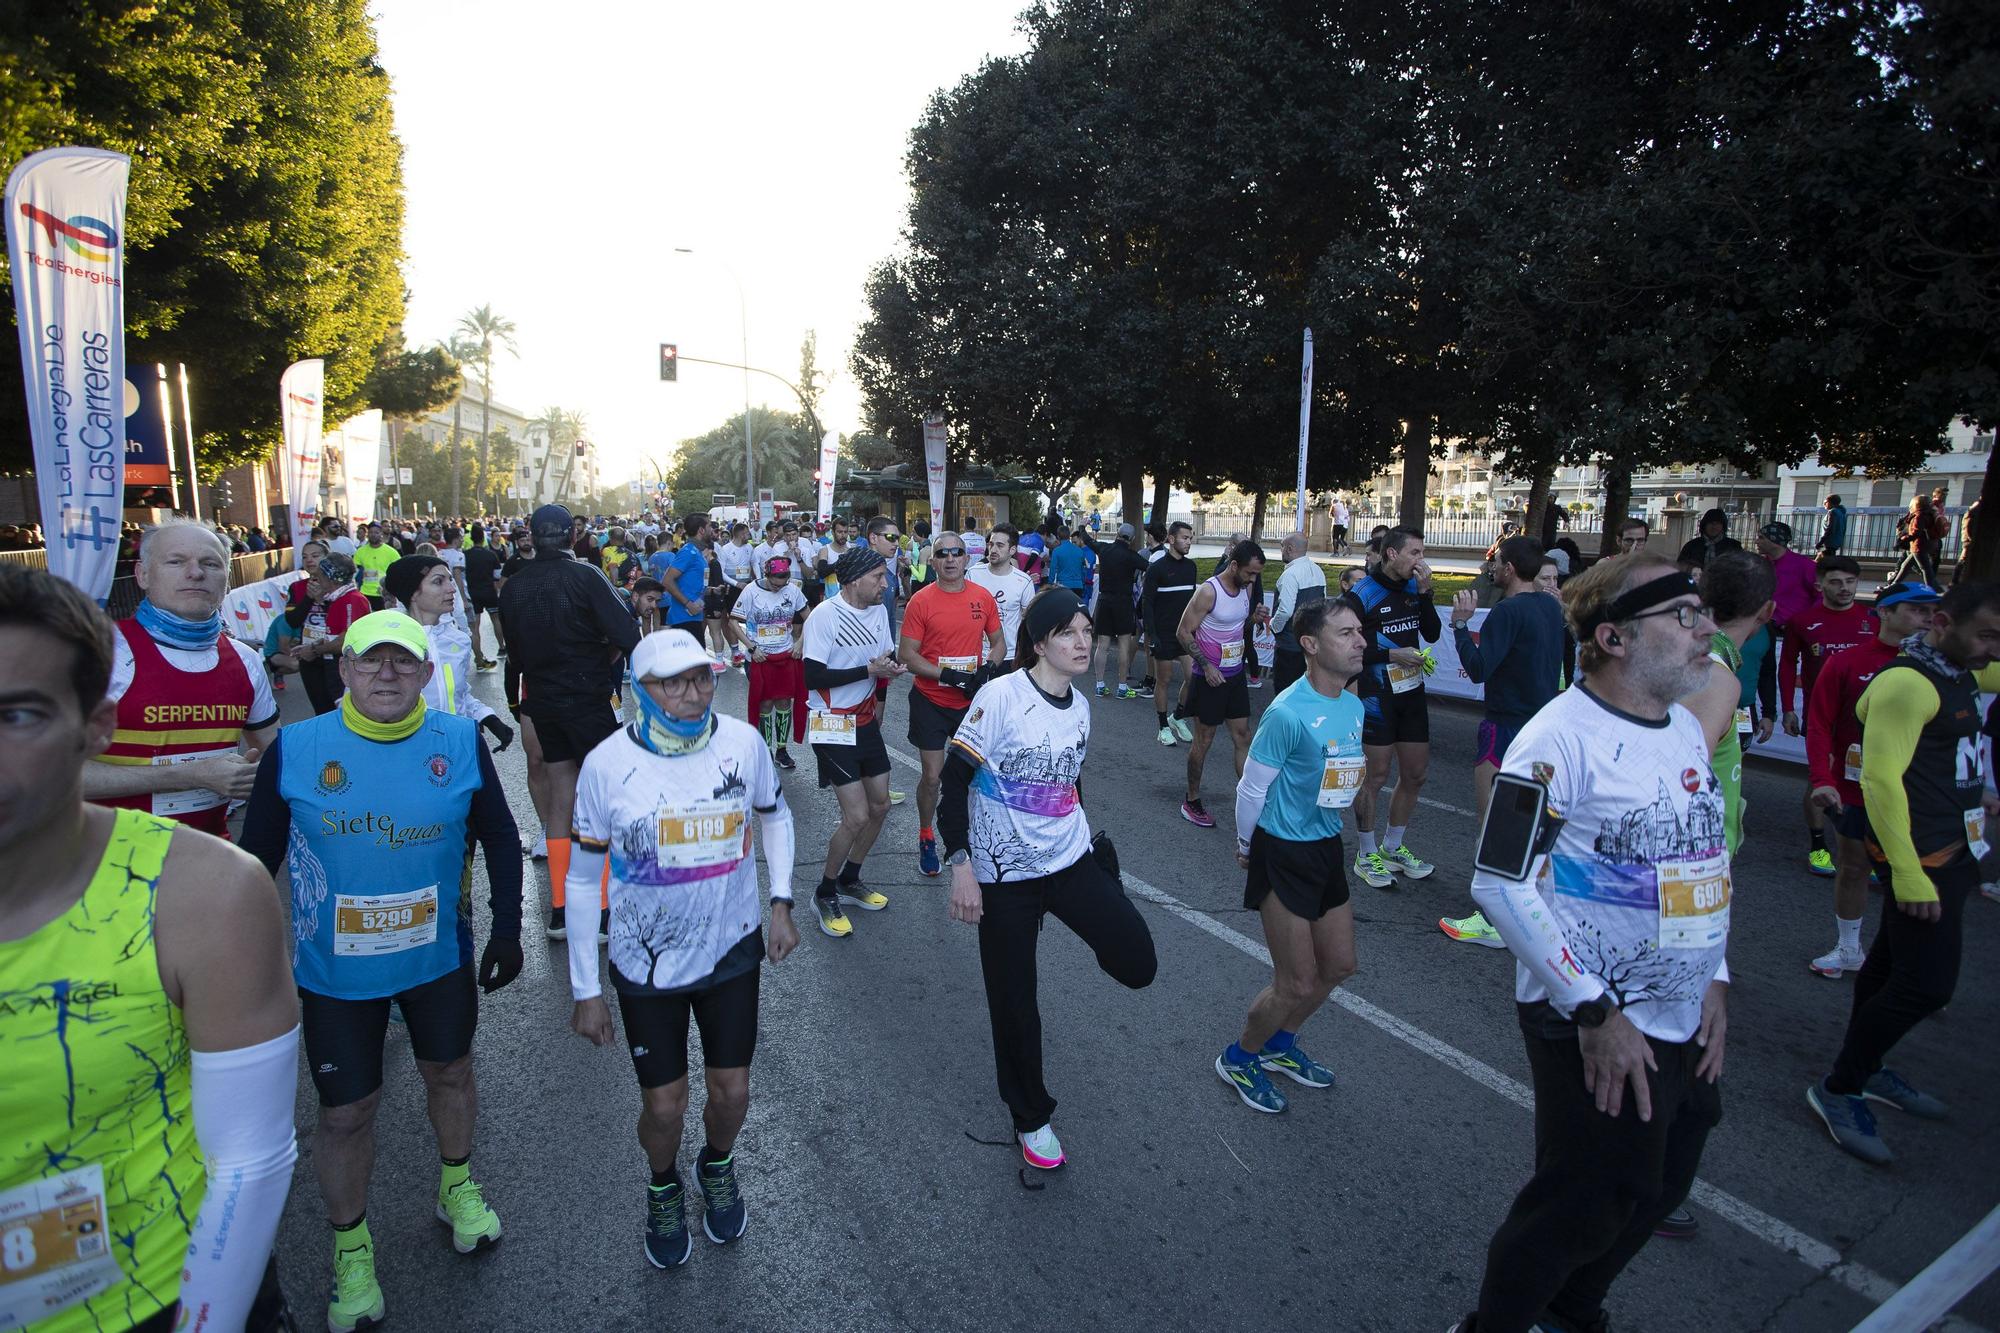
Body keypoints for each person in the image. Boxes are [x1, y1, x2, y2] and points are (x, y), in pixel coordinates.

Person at [1, 564, 301, 1333]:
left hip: (161, 1296)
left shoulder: (207, 893)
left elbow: (251, 1159)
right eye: (177, 561)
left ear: (95, 726)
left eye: (17, 716)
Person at [1451, 555, 1728, 1333]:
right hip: (1593, 1015)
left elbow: (1695, 853)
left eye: (1701, 610)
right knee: (1583, 1200)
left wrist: (1717, 975)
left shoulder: (1679, 724)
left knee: (1661, 1184)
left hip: (1681, 1011)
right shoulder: (1553, 741)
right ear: (1612, 636)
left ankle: (1569, 1311)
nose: (1704, 628)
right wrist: (1594, 1011)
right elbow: (1499, 881)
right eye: (1682, 616)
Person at [239, 610, 524, 1332]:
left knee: (451, 1073)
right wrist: (239, 958)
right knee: (344, 1113)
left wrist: (510, 928)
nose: (387, 674)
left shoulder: (457, 739)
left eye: (403, 661)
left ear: (428, 672)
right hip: (335, 974)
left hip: (436, 958)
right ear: (345, 670)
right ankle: (351, 1245)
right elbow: (253, 863)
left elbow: (497, 832)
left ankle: (456, 1185)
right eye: (371, 661)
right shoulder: (299, 748)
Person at [564, 631, 799, 1266]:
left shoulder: (743, 744)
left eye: (700, 678)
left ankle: (717, 1164)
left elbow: (773, 814)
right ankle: (663, 1183)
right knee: (664, 1106)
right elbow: (584, 879)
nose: (692, 694)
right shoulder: (608, 765)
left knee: (732, 1092)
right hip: (646, 963)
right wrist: (586, 988)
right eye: (673, 682)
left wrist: (781, 900)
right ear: (641, 691)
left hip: (730, 949)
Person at [943, 588, 1157, 1169]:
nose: (1083, 642)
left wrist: (1086, 845)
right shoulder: (1001, 697)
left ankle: (1095, 887)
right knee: (1015, 1003)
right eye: (1068, 633)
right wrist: (961, 866)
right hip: (1004, 875)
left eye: (1087, 631)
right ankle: (1030, 1117)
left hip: (1069, 861)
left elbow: (1067, 784)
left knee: (1138, 963)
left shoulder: (1081, 707)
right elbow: (954, 784)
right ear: (1040, 643)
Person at [1805, 581, 2000, 1165]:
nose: (1994, 648)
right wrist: (1910, 876)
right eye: (1988, 633)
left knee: (1890, 965)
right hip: (1922, 859)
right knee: (1927, 986)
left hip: (1956, 849)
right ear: (1942, 623)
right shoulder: (1906, 685)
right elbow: (1881, 780)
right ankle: (1840, 1087)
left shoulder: (1961, 669)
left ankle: (1867, 1069)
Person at [1215, 598, 1366, 1113]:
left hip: (1325, 847)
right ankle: (1240, 1056)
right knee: (1296, 979)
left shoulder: (1353, 705)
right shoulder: (1286, 712)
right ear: (1310, 645)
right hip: (1280, 851)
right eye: (1346, 633)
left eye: (1359, 632)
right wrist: (1244, 845)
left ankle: (1281, 1045)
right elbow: (1251, 790)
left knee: (1340, 965)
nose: (1360, 641)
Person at [81, 519, 280, 837]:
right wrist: (189, 776)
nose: (196, 573)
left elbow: (274, 753)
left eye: (210, 563)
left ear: (226, 581)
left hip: (206, 861)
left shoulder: (246, 660)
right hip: (101, 866)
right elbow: (47, 774)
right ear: (142, 575)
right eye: (176, 561)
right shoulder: (98, 652)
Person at [499, 504, 640, 939]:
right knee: (600, 800)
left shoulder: (513, 587)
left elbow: (514, 657)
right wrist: (602, 657)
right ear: (571, 534)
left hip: (541, 700)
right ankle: (599, 910)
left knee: (562, 800)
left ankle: (561, 908)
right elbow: (629, 635)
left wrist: (516, 703)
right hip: (586, 699)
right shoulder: (585, 576)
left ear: (530, 535)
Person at [1804, 582, 1939, 978]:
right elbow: (1820, 724)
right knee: (1853, 867)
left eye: (1931, 611)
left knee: (1918, 877)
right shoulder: (1848, 661)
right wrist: (1821, 778)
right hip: (1857, 786)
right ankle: (1848, 949)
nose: (1927, 618)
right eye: (1916, 610)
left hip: (1919, 793)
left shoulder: (1941, 667)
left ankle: (1915, 966)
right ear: (1885, 612)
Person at [1438, 536, 1568, 948]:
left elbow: (1478, 670)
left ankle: (1493, 917)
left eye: (1496, 563)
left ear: (1511, 568)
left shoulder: (1505, 612)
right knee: (1527, 823)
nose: (1490, 569)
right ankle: (1524, 906)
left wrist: (1460, 625)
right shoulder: (1550, 606)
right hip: (1542, 729)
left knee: (1492, 824)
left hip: (1505, 728)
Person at [801, 544, 907, 937]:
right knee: (857, 815)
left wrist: (890, 673)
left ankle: (850, 879)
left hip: (863, 721)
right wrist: (868, 669)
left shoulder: (879, 612)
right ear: (854, 580)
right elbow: (812, 678)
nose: (885, 583)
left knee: (880, 806)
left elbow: (883, 658)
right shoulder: (824, 617)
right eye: (878, 577)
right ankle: (824, 891)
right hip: (831, 723)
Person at [898, 533, 1006, 876]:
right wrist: (947, 675)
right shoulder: (921, 601)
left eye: (956, 553)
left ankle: (962, 838)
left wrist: (988, 669)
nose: (950, 559)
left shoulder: (982, 597)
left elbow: (999, 642)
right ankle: (927, 835)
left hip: (969, 703)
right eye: (942, 554)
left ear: (967, 558)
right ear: (933, 561)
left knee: (971, 777)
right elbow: (907, 656)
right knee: (932, 777)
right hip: (930, 700)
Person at [1342, 526, 1442, 889]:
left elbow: (1431, 634)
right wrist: (1389, 654)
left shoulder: (1417, 587)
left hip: (1412, 693)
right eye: (1415, 553)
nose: (1421, 560)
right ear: (1391, 555)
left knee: (1416, 774)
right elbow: (1343, 644)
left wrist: (1427, 595)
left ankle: (1392, 847)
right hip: (1376, 695)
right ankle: (1365, 852)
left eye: (1422, 552)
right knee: (1376, 776)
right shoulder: (1362, 594)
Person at [1777, 557, 1874, 877]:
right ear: (1820, 585)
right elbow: (1788, 664)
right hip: (1822, 716)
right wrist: (1788, 707)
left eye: (1849, 581)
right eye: (1836, 582)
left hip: (1866, 717)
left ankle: (1872, 848)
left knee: (1871, 780)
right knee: (1820, 777)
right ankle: (1819, 845)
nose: (1844, 588)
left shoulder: (1871, 621)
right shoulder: (1803, 621)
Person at [1684, 551, 1774, 861]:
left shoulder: (1698, 656)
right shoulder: (1711, 674)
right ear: (1767, 611)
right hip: (1692, 872)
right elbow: (1682, 782)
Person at [1173, 540, 1267, 829]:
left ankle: (1253, 802)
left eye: (1256, 575)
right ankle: (1192, 800)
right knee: (1204, 740)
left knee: (1243, 736)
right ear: (1234, 565)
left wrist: (1255, 619)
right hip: (1210, 677)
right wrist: (1205, 665)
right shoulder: (1209, 591)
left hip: (1235, 674)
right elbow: (1183, 632)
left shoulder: (1246, 588)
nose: (1253, 580)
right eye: (1250, 573)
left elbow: (1236, 625)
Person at [383, 556, 516, 752]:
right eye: (438, 582)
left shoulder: (457, 640)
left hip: (456, 747)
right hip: (407, 751)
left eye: (449, 580)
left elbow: (458, 695)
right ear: (412, 593)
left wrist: (486, 716)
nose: (452, 588)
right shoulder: (388, 642)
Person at [730, 554, 810, 771]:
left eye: (782, 583)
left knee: (784, 702)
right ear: (767, 575)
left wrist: (800, 643)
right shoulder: (750, 591)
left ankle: (781, 751)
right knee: (764, 703)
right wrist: (751, 647)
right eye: (775, 583)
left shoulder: (792, 590)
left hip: (785, 655)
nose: (779, 588)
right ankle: (765, 748)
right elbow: (733, 621)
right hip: (759, 657)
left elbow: (809, 616)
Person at [1142, 521, 1202, 746]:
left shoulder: (1191, 567)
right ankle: (1163, 727)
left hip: (1185, 634)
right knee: (1164, 680)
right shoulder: (1156, 569)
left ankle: (1176, 717)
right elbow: (1147, 605)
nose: (1189, 541)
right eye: (1185, 537)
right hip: (1163, 634)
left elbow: (1193, 604)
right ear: (1171, 539)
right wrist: (1152, 636)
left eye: (1190, 537)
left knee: (1193, 678)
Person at [293, 551, 374, 716]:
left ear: (331, 577)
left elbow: (347, 641)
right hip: (336, 670)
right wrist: (311, 646)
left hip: (346, 673)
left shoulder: (352, 599)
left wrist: (314, 651)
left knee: (343, 719)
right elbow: (335, 635)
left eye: (321, 574)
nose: (317, 578)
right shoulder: (337, 599)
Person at [967, 524, 1038, 669]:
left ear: (1012, 550)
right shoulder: (973, 574)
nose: (993, 550)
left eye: (1000, 545)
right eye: (991, 544)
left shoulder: (1024, 582)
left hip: (1009, 657)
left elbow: (1029, 622)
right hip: (975, 654)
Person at [1267, 531, 1328, 696]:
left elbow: (1285, 610)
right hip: (1310, 645)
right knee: (1305, 692)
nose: (1281, 551)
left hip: (1289, 646)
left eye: (1282, 547)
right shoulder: (1318, 570)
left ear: (1289, 548)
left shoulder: (1290, 575)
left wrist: (1274, 626)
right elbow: (1322, 605)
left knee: (1284, 693)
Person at [1090, 522, 1148, 697]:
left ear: (1117, 533)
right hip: (1123, 602)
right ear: (1131, 539)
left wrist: (1083, 526)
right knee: (1123, 645)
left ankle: (1099, 684)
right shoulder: (1131, 556)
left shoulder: (1104, 549)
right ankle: (1122, 687)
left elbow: (1086, 539)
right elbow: (1150, 567)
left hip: (1104, 599)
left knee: (1102, 645)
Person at [464, 522, 504, 666]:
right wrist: (497, 591)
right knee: (496, 620)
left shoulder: (465, 555)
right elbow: (497, 576)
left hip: (472, 593)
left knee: (474, 627)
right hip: (489, 592)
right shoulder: (491, 555)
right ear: (483, 538)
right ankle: (502, 646)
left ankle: (479, 657)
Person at [1674, 508, 1741, 572]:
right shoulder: (1691, 546)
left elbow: (1741, 569)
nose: (1714, 527)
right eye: (1710, 523)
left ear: (1723, 526)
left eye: (1717, 523)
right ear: (1704, 525)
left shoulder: (1733, 546)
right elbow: (1680, 567)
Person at [353, 522, 397, 610]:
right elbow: (354, 572)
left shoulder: (391, 552)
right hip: (365, 592)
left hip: (384, 594)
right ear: (367, 534)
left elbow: (398, 571)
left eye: (376, 532)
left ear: (381, 534)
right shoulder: (360, 551)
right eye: (371, 532)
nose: (373, 535)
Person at [1817, 494, 1848, 559]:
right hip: (1835, 543)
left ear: (1830, 503)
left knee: (1823, 564)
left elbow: (1830, 528)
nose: (1825, 504)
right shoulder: (1842, 513)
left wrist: (1821, 542)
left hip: (1828, 544)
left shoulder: (1832, 512)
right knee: (1822, 561)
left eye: (1826, 502)